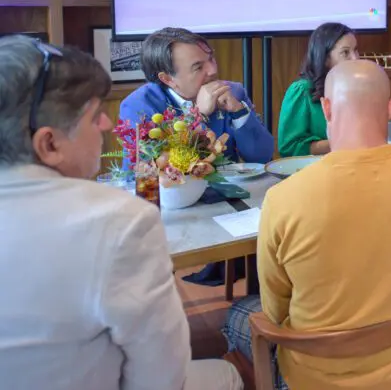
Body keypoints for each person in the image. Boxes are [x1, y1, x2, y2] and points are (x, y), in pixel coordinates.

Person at [0, 36, 242, 390]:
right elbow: (163, 377)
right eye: (94, 117)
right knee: (228, 374)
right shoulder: (120, 223)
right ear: (49, 144)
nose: (108, 126)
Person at [223, 60, 391, 390]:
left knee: (236, 314)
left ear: (327, 107)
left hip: (315, 377)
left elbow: (275, 311)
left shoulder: (283, 197)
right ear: (390, 109)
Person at [120, 27, 274, 165]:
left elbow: (262, 157)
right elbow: (145, 173)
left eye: (211, 59)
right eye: (198, 67)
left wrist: (238, 111)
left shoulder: (232, 92)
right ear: (167, 79)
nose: (213, 70)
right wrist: (197, 116)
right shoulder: (140, 107)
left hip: (229, 194)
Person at [277, 22, 359, 157]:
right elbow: (289, 147)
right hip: (314, 172)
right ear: (325, 57)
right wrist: (340, 143)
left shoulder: (356, 90)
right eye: (345, 52)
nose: (355, 58)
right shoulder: (302, 91)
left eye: (355, 50)